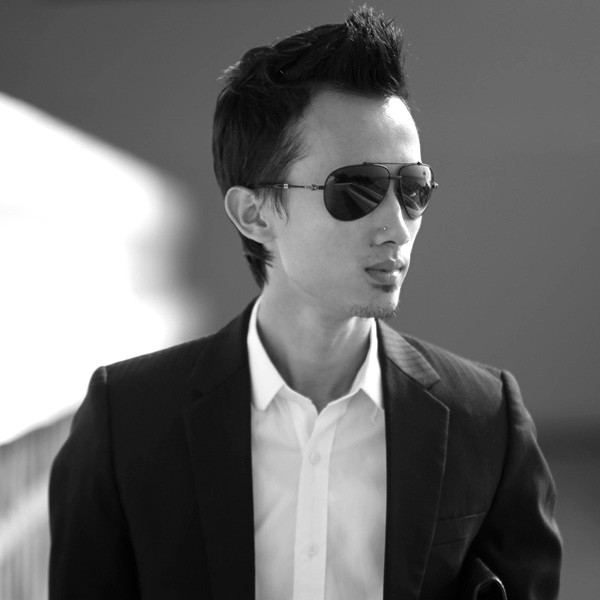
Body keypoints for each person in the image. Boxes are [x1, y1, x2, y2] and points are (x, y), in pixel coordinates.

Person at [49, 6, 561, 599]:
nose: (396, 226)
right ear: (254, 214)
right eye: (358, 188)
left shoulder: (487, 422)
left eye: (413, 189)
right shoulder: (127, 425)